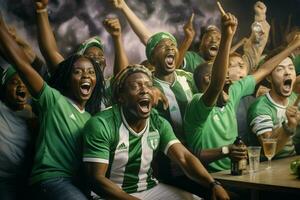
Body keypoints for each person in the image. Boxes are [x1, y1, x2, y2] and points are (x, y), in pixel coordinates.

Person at [82, 64, 230, 200]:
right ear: (121, 97)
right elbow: (96, 179)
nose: (145, 90)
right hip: (111, 194)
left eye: (148, 85)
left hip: (149, 188)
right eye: (136, 86)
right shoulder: (102, 124)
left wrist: (213, 184)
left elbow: (184, 158)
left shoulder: (157, 122)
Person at [0, 13, 106, 200]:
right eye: (78, 72)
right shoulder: (54, 99)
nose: (85, 76)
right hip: (51, 180)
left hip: (76, 183)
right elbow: (22, 64)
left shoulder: (92, 118)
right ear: (67, 79)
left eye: (90, 72)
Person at [184, 15, 300, 172]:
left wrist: (293, 47)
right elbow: (216, 85)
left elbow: (265, 69)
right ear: (208, 78)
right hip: (212, 177)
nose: (227, 71)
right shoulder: (197, 103)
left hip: (237, 172)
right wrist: (226, 37)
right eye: (222, 69)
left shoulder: (233, 92)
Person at [248, 50, 300, 159]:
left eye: (291, 68)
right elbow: (270, 150)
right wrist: (289, 125)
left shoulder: (293, 98)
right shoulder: (260, 107)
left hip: (292, 159)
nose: (287, 72)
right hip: (269, 167)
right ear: (268, 77)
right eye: (280, 69)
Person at [0, 64, 35, 200]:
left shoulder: (34, 116)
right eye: (14, 82)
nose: (21, 86)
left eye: (25, 82)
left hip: (26, 179)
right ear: (4, 88)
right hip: (3, 180)